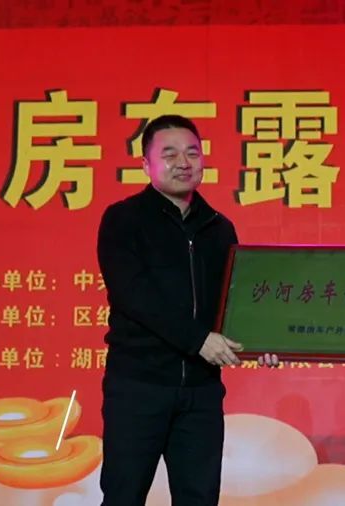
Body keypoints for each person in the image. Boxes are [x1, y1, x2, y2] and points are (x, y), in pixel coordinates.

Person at [97, 114, 260, 505]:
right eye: (169, 154)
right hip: (138, 387)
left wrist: (263, 343)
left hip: (201, 392)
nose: (183, 162)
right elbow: (134, 295)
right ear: (146, 165)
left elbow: (234, 303)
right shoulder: (123, 219)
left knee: (200, 499)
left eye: (192, 153)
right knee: (123, 497)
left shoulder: (220, 228)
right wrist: (198, 340)